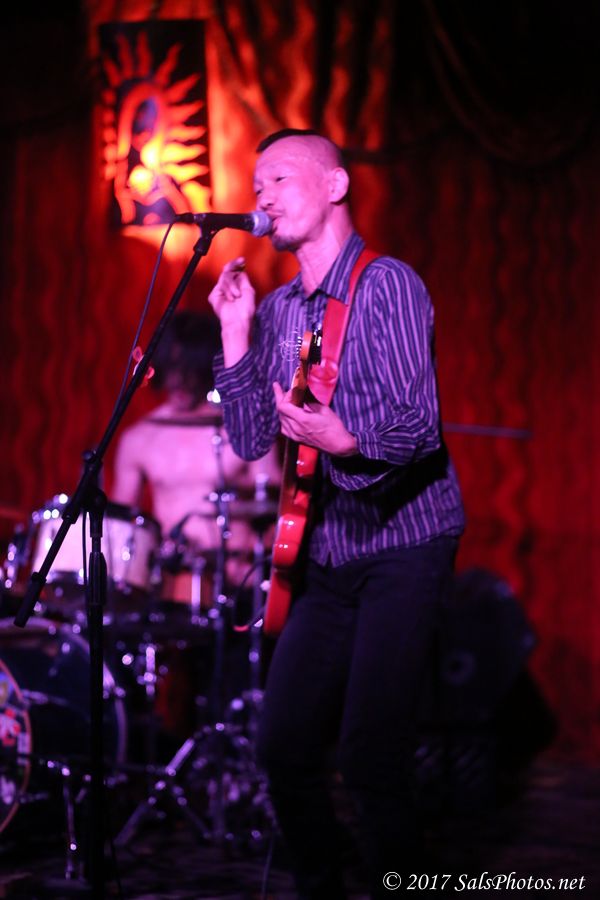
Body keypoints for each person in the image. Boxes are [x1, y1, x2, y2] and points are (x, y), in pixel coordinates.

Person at [208, 129, 465, 898]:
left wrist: (344, 440)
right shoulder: (282, 308)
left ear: (335, 186)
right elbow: (251, 438)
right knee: (283, 747)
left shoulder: (387, 285)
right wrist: (235, 333)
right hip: (325, 551)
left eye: (278, 179)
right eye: (255, 185)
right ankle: (324, 882)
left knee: (371, 757)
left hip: (404, 542)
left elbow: (418, 427)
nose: (261, 196)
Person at [112, 309, 278, 597]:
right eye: (172, 370)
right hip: (172, 582)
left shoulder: (245, 428)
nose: (179, 381)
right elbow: (121, 524)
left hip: (240, 579)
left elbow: (275, 503)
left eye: (189, 371)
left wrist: (258, 551)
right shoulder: (140, 438)